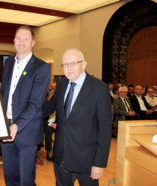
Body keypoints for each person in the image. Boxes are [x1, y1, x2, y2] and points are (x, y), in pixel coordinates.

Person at [43, 48, 111, 186]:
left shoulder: (99, 88)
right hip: (61, 157)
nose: (68, 68)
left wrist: (99, 163)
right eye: (64, 64)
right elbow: (46, 109)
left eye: (73, 63)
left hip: (87, 161)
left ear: (84, 64)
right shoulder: (61, 85)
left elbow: (105, 129)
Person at [1, 26, 50, 186]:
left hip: (26, 131)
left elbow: (35, 104)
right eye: (18, 38)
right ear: (14, 41)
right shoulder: (7, 63)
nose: (21, 42)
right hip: (5, 128)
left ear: (33, 43)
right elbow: (7, 94)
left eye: (26, 39)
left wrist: (16, 125)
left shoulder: (41, 67)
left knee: (26, 180)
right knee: (10, 177)